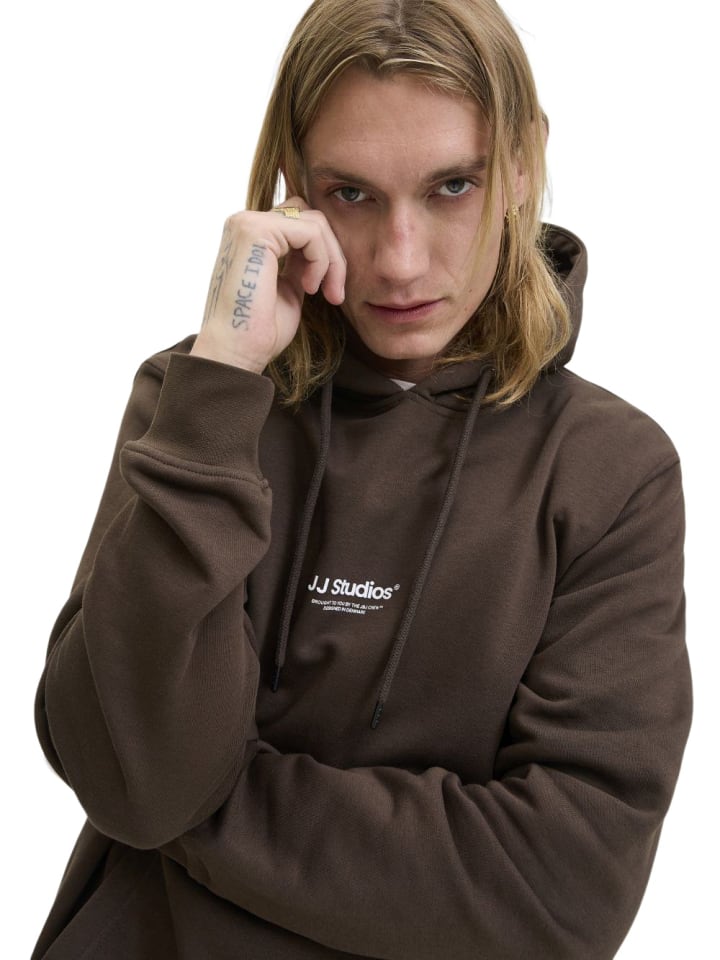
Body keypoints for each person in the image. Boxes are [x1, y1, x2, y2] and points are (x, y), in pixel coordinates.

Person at [32, 0, 691, 957]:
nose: (400, 260)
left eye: (452, 185)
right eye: (351, 193)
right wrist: (222, 381)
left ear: (522, 164)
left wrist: (195, 809)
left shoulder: (611, 471)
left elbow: (560, 893)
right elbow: (129, 772)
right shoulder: (200, 403)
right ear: (294, 184)